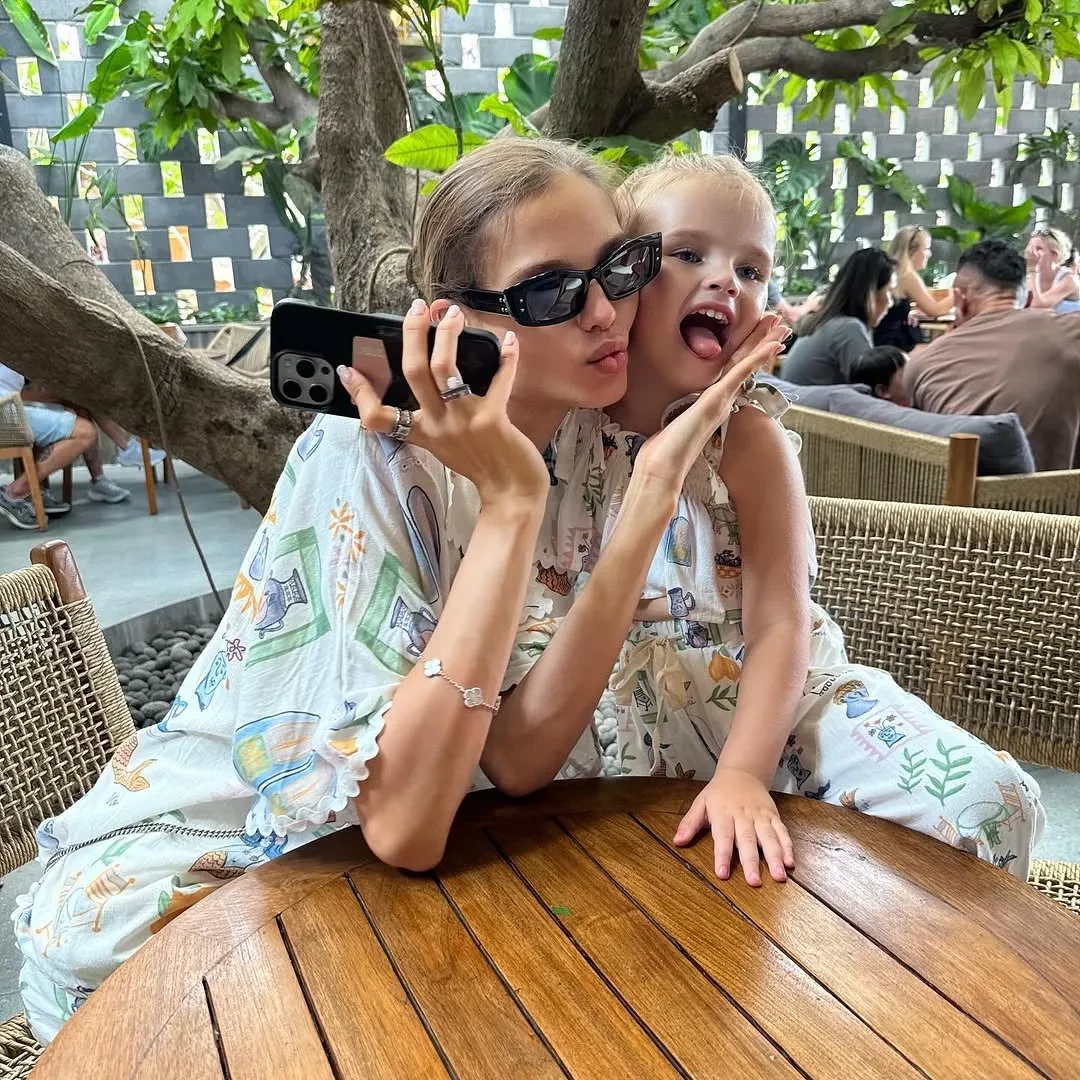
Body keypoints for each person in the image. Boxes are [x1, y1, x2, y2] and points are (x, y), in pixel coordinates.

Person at [13, 138, 774, 1044]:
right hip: (199, 895)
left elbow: (521, 760)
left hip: (392, 882)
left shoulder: (587, 447)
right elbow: (407, 829)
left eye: (618, 268)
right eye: (550, 292)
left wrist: (647, 497)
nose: (606, 311)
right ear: (456, 325)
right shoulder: (369, 456)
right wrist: (510, 507)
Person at [538, 152, 1040, 889]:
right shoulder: (562, 432)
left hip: (777, 710)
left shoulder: (749, 440)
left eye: (751, 269)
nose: (726, 281)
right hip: (618, 726)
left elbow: (781, 620)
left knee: (989, 801)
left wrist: (744, 772)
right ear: (621, 277)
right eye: (688, 254)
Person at [907, 239, 1080, 471]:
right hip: (1059, 491)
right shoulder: (1072, 331)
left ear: (960, 299)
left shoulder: (922, 363)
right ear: (1028, 299)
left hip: (958, 491)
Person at [0, 362, 97, 529]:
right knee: (84, 432)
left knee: (66, 410)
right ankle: (16, 492)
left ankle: (33, 491)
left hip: (10, 405)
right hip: (5, 411)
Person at [781, 248, 895, 385]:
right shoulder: (849, 329)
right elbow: (871, 389)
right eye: (889, 291)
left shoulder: (827, 322)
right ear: (870, 293)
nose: (891, 302)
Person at [874, 225, 952, 350]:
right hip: (894, 343)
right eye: (926, 249)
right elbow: (935, 310)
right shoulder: (908, 277)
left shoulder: (892, 271)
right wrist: (956, 293)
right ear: (912, 251)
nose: (930, 254)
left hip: (881, 337)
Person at [1025, 227, 1080, 313]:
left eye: (1039, 248)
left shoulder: (1069, 279)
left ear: (1055, 255)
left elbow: (1038, 307)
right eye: (1030, 247)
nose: (1031, 252)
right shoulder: (1027, 278)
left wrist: (1032, 269)